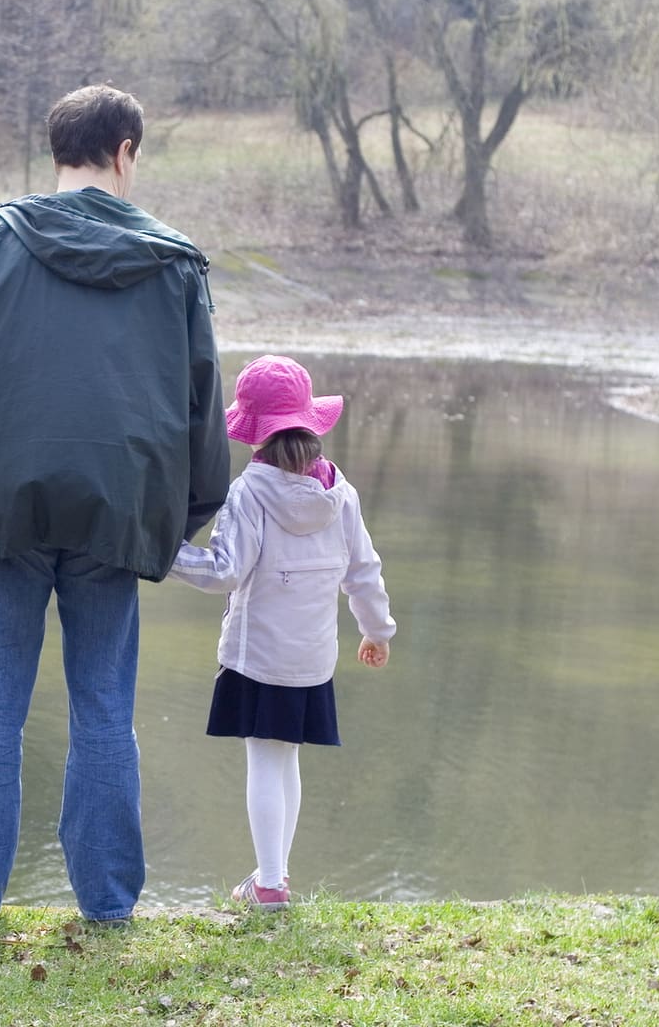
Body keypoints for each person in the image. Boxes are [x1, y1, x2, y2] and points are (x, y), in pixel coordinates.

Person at [0, 84, 230, 924]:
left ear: (57, 152)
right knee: (105, 709)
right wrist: (180, 515)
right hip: (118, 513)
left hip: (4, 504)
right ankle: (109, 901)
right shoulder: (175, 263)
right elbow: (202, 404)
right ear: (125, 153)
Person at [169, 354, 395, 911]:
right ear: (311, 425)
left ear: (254, 437)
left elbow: (224, 572)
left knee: (266, 760)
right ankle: (275, 875)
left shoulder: (249, 493)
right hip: (313, 656)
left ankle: (269, 885)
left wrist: (163, 554)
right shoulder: (339, 492)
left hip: (260, 655)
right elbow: (363, 569)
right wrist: (377, 630)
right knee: (286, 756)